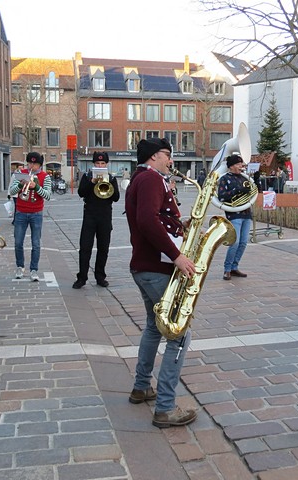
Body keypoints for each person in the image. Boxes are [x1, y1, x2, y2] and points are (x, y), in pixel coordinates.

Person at [125, 137, 197, 429]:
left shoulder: (141, 179)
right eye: (168, 155)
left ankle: (142, 386)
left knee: (155, 327)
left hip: (145, 266)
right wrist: (177, 255)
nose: (171, 161)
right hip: (156, 267)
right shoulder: (152, 180)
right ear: (155, 156)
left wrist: (181, 226)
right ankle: (165, 407)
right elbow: (148, 220)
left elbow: (156, 219)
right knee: (178, 334)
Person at [73, 152, 120, 289]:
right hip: (89, 215)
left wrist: (107, 183)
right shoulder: (87, 177)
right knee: (85, 248)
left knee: (103, 248)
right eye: (97, 163)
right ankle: (82, 277)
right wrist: (91, 182)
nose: (100, 165)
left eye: (102, 163)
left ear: (106, 164)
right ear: (93, 164)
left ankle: (100, 277)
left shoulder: (111, 178)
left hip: (105, 216)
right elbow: (81, 193)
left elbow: (116, 197)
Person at [9, 152, 51, 281]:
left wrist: (36, 186)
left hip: (36, 213)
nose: (32, 166)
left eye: (35, 163)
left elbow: (48, 195)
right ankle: (20, 266)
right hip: (21, 212)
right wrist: (22, 184)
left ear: (40, 165)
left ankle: (34, 269)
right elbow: (11, 191)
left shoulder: (45, 176)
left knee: (36, 243)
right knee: (18, 242)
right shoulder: (20, 173)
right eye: (30, 163)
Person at [218, 154, 253, 280]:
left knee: (243, 243)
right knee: (235, 242)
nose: (241, 166)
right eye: (238, 164)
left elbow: (251, 193)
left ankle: (234, 267)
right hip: (234, 214)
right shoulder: (224, 179)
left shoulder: (244, 178)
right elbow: (222, 196)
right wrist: (238, 191)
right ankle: (227, 269)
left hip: (246, 213)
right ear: (231, 166)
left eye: (241, 164)